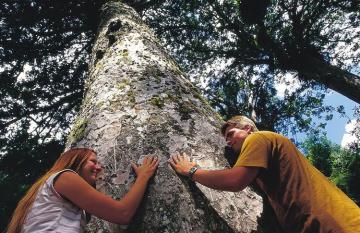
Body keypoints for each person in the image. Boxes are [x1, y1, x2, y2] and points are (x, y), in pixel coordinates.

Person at [169, 115, 360, 233]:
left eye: (231, 134)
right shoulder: (265, 163)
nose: (227, 141)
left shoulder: (258, 138)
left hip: (337, 224)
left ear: (247, 128)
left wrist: (192, 171)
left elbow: (235, 180)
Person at [6, 148, 159, 233]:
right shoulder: (64, 177)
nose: (99, 168)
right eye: (93, 161)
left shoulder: (47, 189)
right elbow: (122, 213)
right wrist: (143, 176)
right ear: (75, 161)